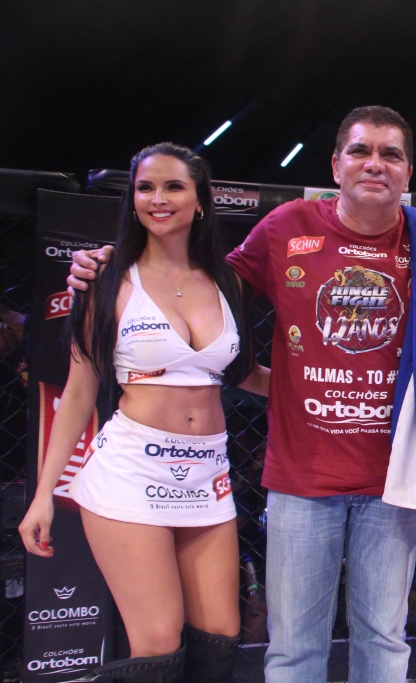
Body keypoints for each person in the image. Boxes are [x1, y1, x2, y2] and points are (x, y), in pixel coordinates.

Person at [67, 108, 416, 683]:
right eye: (361, 151)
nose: (375, 164)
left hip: (394, 476)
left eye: (391, 154)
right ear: (336, 165)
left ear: (408, 171)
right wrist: (118, 268)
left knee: (384, 644)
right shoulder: (287, 226)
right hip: (302, 477)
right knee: (294, 649)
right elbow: (202, 296)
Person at [19, 143, 265, 682]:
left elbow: (243, 372)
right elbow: (78, 392)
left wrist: (334, 386)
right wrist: (43, 494)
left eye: (173, 186)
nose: (158, 198)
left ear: (200, 200)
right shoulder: (106, 278)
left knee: (219, 638)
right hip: (133, 471)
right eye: (145, 187)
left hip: (206, 475)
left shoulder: (225, 281)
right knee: (156, 643)